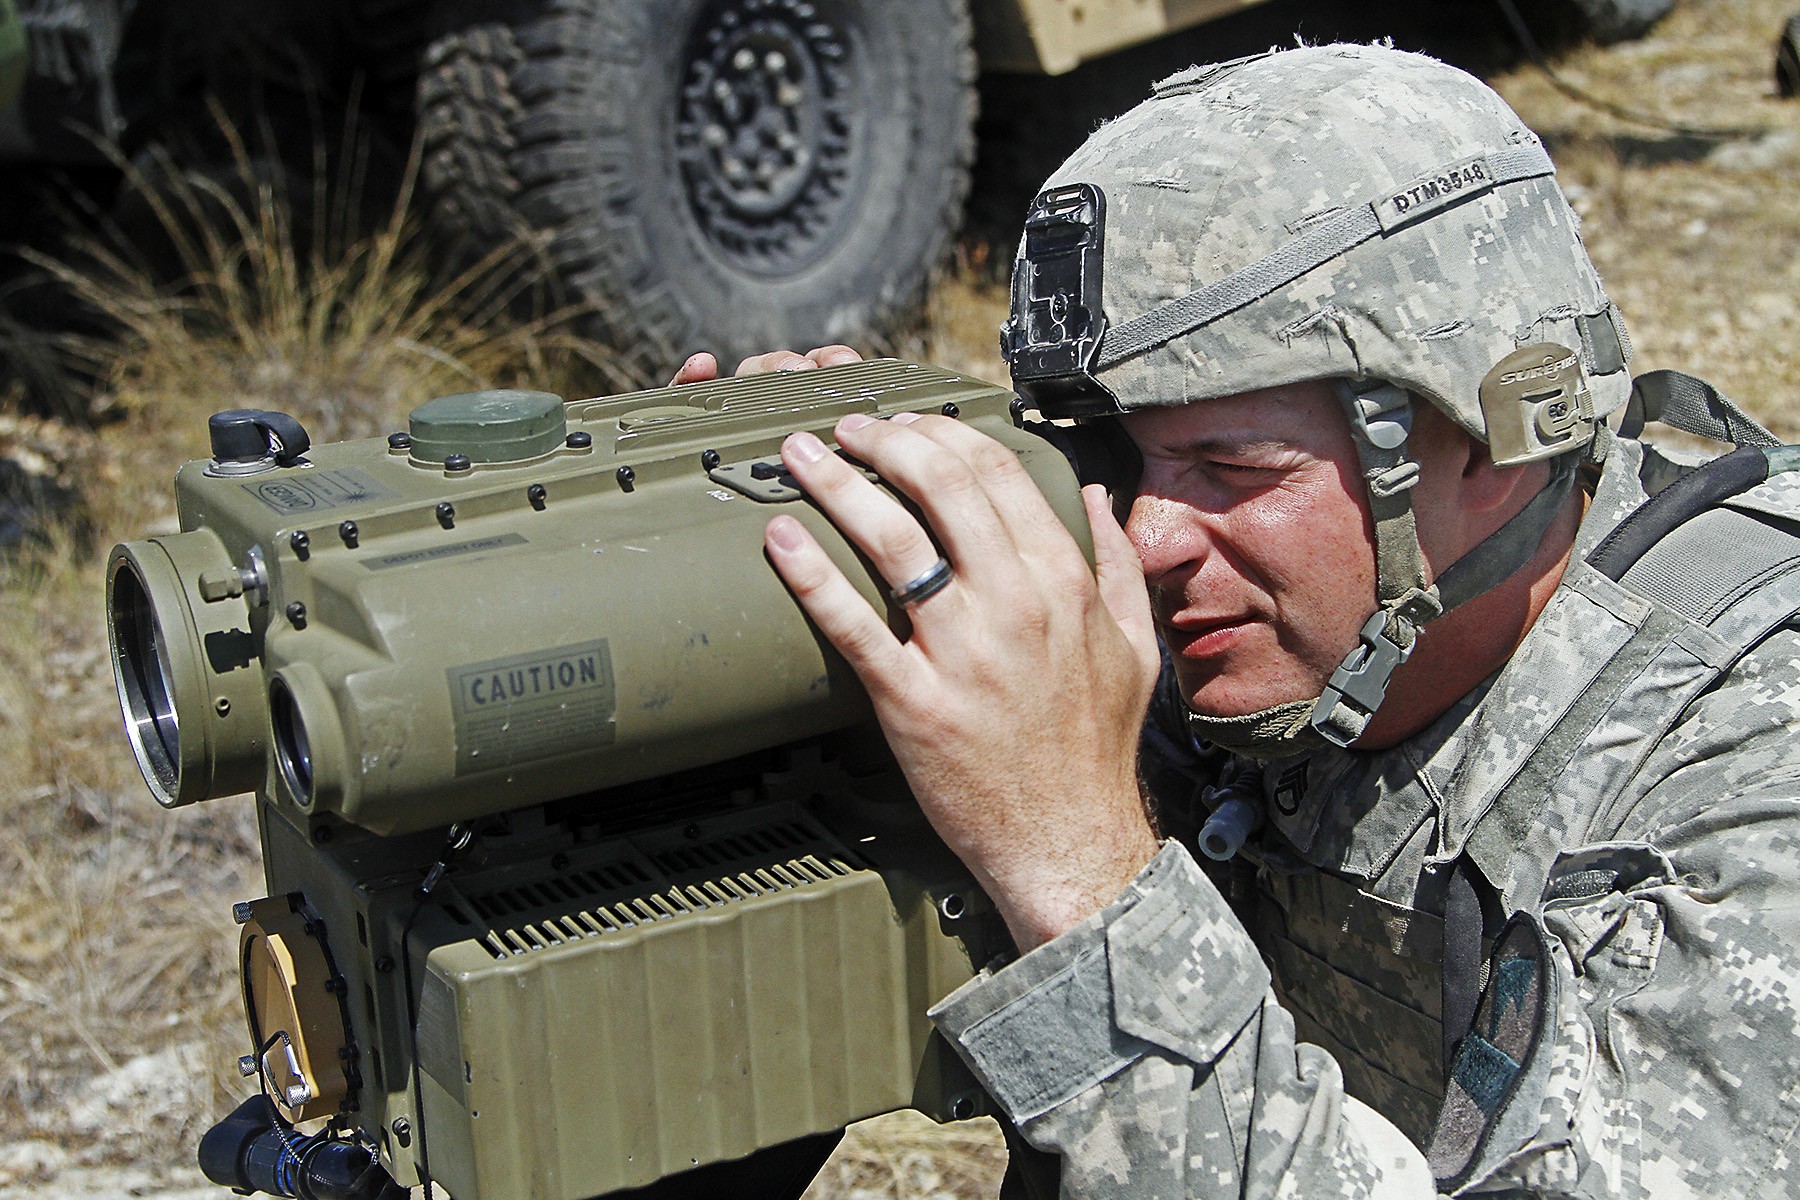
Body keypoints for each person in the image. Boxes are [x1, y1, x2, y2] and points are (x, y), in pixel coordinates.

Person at [673, 44, 1800, 1197]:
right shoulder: (1249, 632)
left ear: (1481, 446)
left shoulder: (1753, 776)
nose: (1148, 540)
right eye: (1111, 458)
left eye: (1231, 466)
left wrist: (1085, 877)